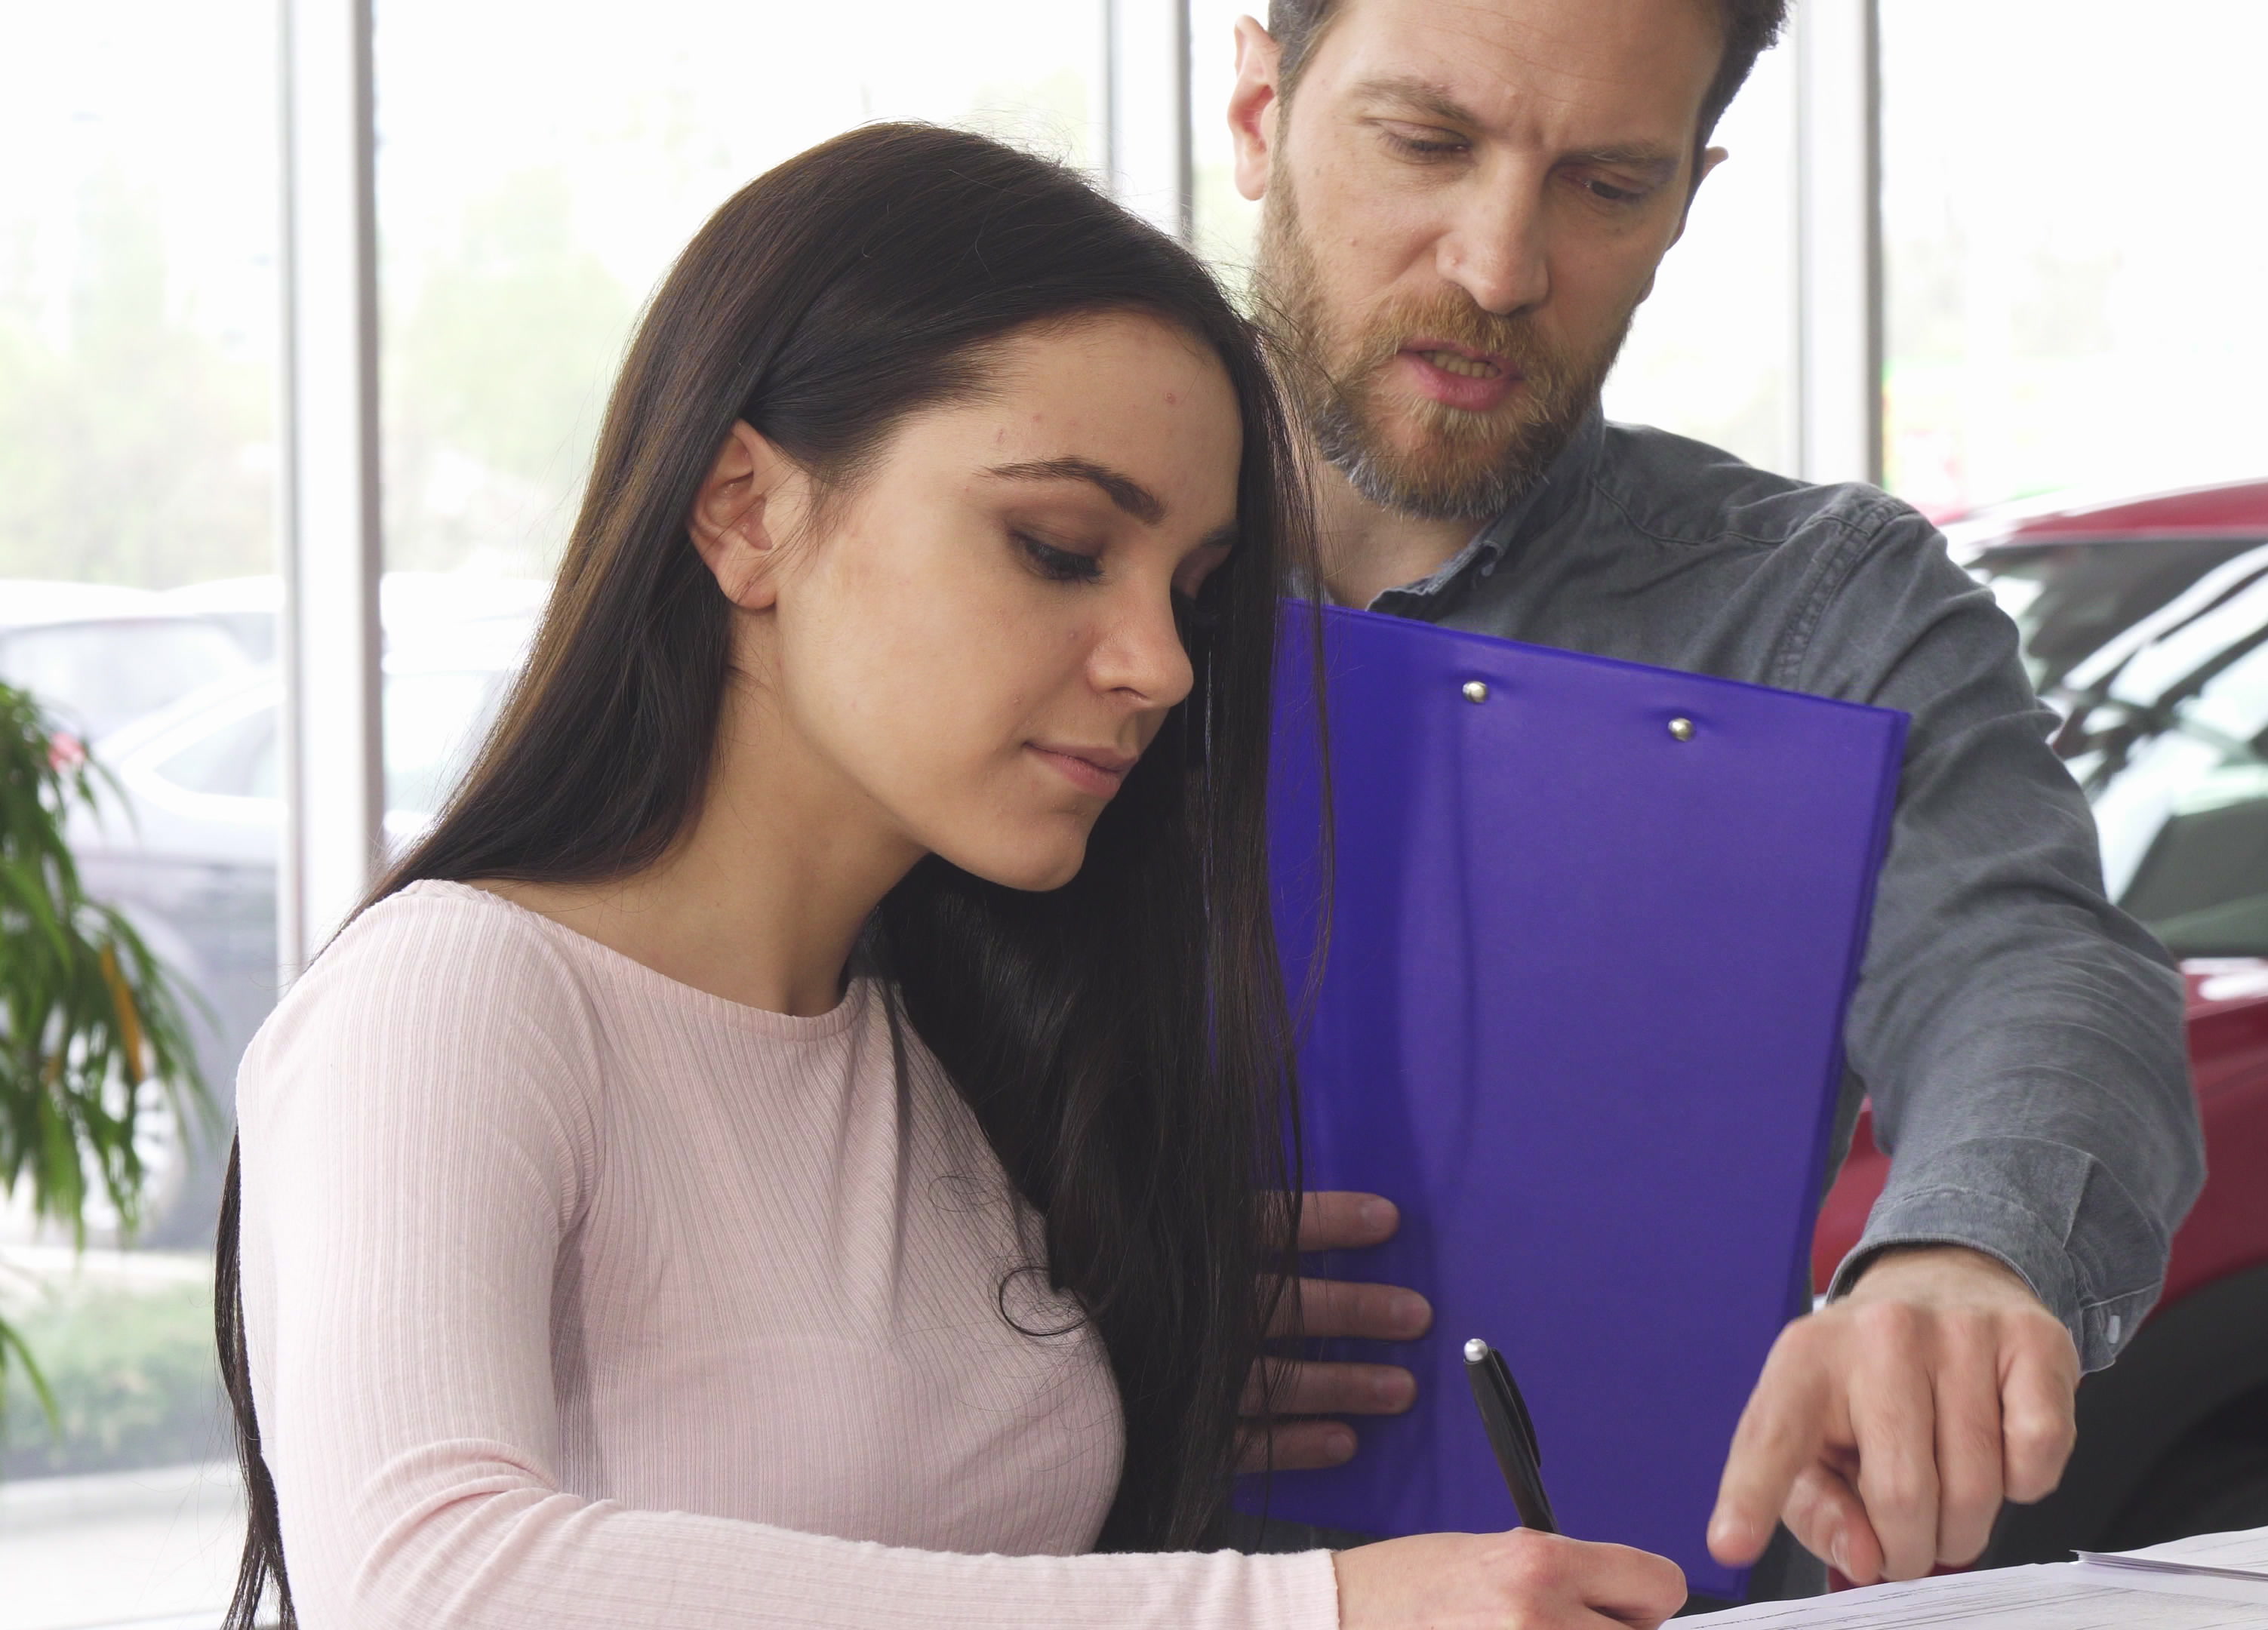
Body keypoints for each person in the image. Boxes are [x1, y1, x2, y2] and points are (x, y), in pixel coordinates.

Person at [214, 124, 1686, 1630]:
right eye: (1059, 547)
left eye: (1191, 593)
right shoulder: (453, 994)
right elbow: (426, 1584)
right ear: (744, 510)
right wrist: (1313, 1613)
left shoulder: (947, 1051)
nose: (1162, 664)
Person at [1216, 0, 2207, 1586]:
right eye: (1426, 143)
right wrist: (1046, 1316)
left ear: (1689, 194)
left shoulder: (1820, 609)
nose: (1499, 267)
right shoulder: (1021, 552)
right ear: (1262, 110)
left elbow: (2022, 964)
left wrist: (1960, 1255)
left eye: (1607, 185)